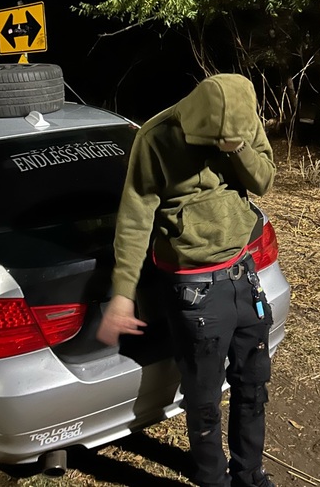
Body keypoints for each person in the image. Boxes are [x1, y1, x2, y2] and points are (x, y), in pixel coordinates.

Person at [97, 73, 277, 487]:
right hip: (194, 288)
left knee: (253, 383)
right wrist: (123, 293)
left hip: (243, 273)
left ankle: (250, 475)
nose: (218, 146)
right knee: (204, 396)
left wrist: (239, 148)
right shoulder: (156, 137)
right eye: (213, 140)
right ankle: (212, 479)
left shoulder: (243, 119)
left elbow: (263, 181)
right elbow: (134, 219)